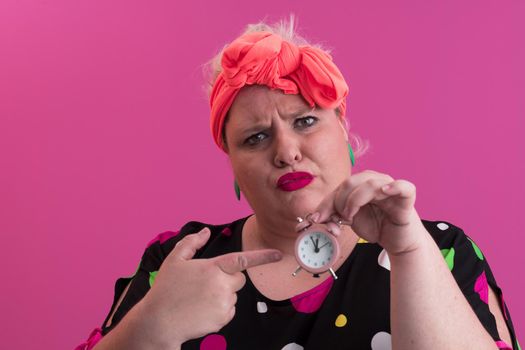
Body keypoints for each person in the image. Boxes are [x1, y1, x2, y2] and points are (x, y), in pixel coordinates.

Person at [76, 18, 519, 350]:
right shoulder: (181, 261)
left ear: (343, 128)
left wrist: (408, 251)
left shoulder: (436, 248)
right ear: (231, 161)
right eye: (256, 137)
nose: (286, 151)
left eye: (305, 121)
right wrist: (150, 326)